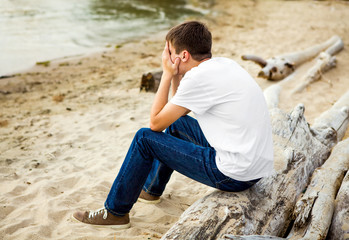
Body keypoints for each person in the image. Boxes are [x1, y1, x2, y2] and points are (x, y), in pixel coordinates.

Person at [72, 21, 274, 229]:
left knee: (144, 138)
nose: (167, 57)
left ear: (183, 56)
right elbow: (177, 109)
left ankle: (115, 212)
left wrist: (167, 74)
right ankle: (151, 190)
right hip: (253, 167)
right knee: (178, 123)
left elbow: (156, 123)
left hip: (233, 175)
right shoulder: (224, 65)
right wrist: (177, 74)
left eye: (169, 52)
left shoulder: (198, 78)